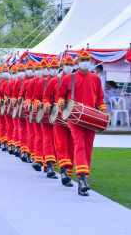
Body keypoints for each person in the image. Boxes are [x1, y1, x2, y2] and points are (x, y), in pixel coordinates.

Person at [57, 49, 107, 196]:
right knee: (79, 144)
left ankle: (83, 178)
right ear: (77, 62)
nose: (85, 62)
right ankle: (83, 178)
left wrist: (103, 111)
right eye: (82, 59)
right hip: (74, 117)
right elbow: (60, 96)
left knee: (88, 147)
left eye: (87, 59)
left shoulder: (96, 78)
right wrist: (62, 103)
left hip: (91, 118)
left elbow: (99, 99)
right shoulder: (69, 78)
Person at [43, 55, 75, 187]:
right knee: (60, 144)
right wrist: (47, 106)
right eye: (66, 64)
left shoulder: (75, 79)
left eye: (71, 64)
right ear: (63, 66)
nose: (69, 67)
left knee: (72, 146)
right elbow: (45, 97)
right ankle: (62, 170)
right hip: (58, 116)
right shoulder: (55, 80)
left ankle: (68, 172)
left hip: (73, 118)